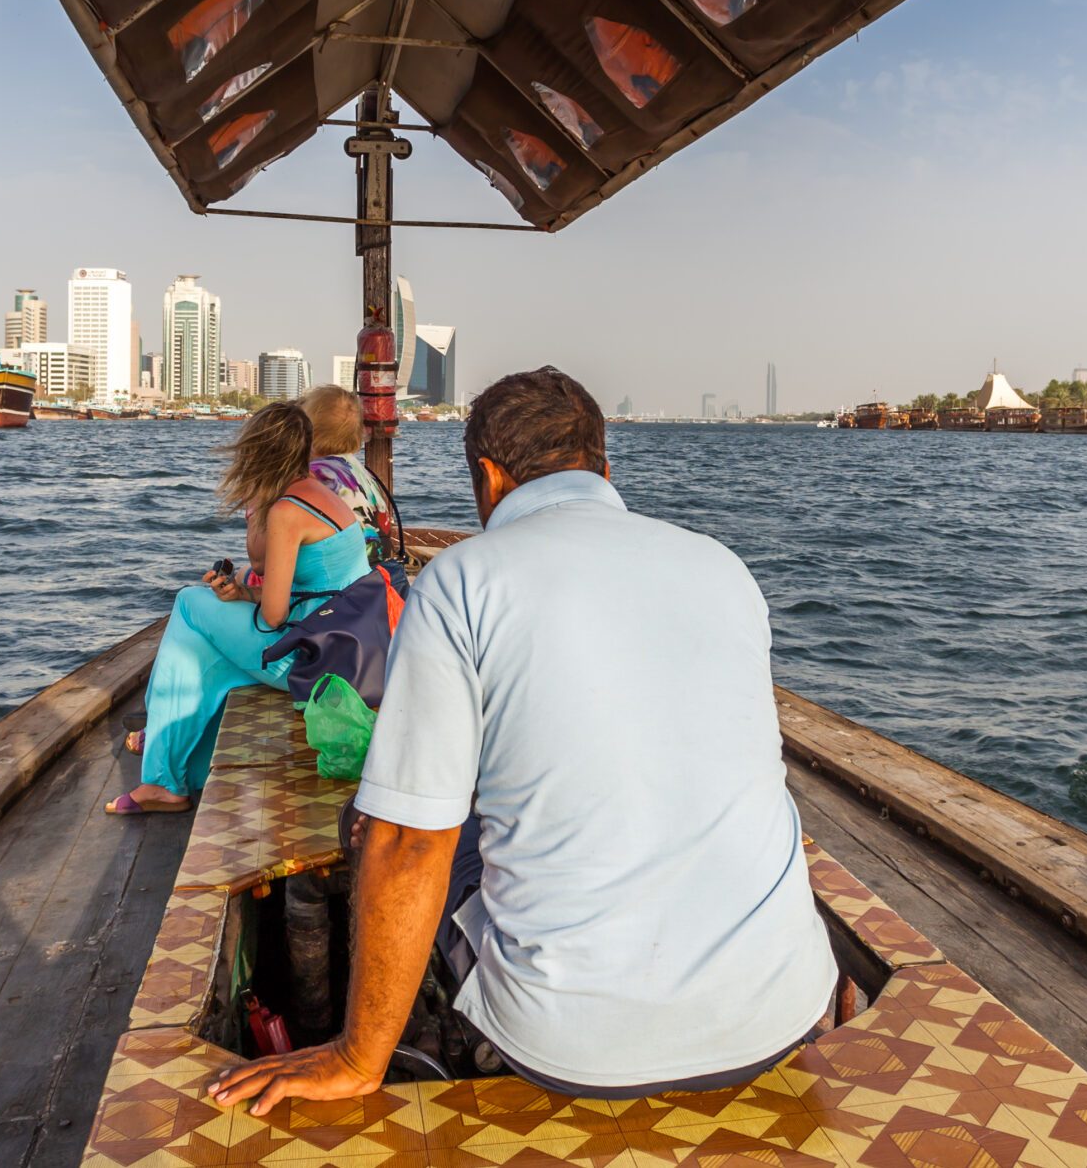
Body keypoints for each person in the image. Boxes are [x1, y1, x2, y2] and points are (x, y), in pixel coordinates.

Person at [208, 367, 837, 1110]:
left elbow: (410, 844)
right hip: (784, 1010)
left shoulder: (465, 581)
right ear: (604, 467)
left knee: (377, 823)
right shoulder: (722, 567)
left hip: (572, 1042)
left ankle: (396, 1045)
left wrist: (355, 1057)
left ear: (489, 476)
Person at [110, 402, 372, 813]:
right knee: (198, 653)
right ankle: (178, 772)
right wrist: (240, 593)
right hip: (341, 646)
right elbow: (290, 591)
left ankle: (164, 774)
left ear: (257, 453)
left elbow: (273, 616)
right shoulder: (322, 495)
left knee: (188, 602)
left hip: (309, 661)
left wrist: (257, 505)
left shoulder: (286, 511)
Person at [297, 383, 398, 553]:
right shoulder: (359, 470)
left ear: (308, 432)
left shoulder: (316, 474)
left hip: (349, 572)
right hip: (379, 568)